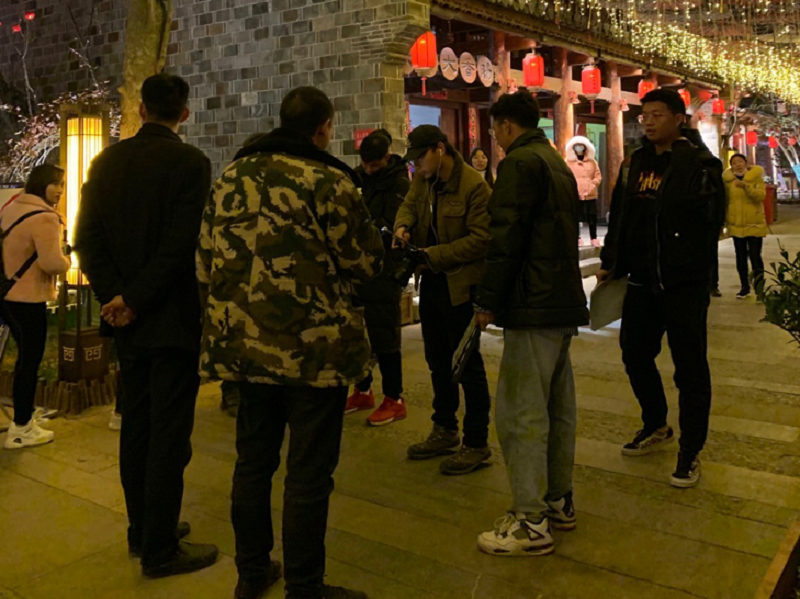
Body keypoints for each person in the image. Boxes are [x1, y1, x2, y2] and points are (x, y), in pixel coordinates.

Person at [197, 86, 383, 599]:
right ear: (323, 127)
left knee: (252, 463)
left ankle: (252, 572)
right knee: (308, 472)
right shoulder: (329, 181)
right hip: (313, 352)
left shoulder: (230, 178)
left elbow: (204, 264)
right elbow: (365, 262)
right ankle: (304, 585)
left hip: (242, 347)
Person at [74, 73, 218, 577]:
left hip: (127, 324)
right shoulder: (190, 163)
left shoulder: (107, 161)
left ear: (140, 109)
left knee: (136, 426)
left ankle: (144, 529)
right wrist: (134, 298)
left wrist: (115, 298)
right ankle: (159, 547)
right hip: (171, 317)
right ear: (184, 114)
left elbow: (86, 238)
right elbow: (181, 245)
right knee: (169, 434)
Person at [471, 90, 588, 557]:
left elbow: (506, 237)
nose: (495, 140)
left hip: (532, 303)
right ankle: (557, 500)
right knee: (557, 409)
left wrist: (488, 300)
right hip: (559, 301)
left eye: (495, 130)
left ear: (505, 126)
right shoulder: (556, 161)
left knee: (521, 412)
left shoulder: (519, 164)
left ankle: (530, 520)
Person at [598, 88, 726, 489]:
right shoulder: (636, 162)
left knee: (690, 369)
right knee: (635, 354)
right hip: (641, 281)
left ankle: (690, 450)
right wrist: (610, 261)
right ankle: (656, 423)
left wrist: (700, 273)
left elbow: (710, 221)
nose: (649, 122)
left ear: (678, 118)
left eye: (657, 115)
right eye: (645, 116)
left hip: (683, 283)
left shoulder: (700, 163)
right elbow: (621, 215)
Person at [394, 125, 492, 475]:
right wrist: (403, 227)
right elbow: (408, 206)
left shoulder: (474, 186)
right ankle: (445, 428)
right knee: (437, 360)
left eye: (420, 157)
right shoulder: (424, 180)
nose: (417, 165)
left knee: (466, 364)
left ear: (440, 149)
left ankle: (476, 442)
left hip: (462, 287)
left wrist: (434, 254)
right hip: (432, 282)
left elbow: (481, 239)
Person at [1, 164, 70, 449]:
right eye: (55, 184)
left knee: (23, 361)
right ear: (41, 184)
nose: (59, 190)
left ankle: (23, 421)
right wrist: (67, 261)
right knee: (29, 362)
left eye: (62, 184)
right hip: (28, 298)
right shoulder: (45, 218)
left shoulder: (12, 208)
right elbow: (52, 262)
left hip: (6, 294)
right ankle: (21, 427)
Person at [346, 129, 409, 426]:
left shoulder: (399, 182)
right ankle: (362, 389)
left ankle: (394, 398)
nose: (368, 170)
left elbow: (392, 223)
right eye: (365, 164)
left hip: (385, 267)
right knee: (356, 332)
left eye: (374, 165)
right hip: (356, 266)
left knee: (384, 335)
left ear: (387, 157)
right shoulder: (356, 177)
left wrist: (361, 230)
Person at [724, 153, 767, 299]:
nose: (738, 165)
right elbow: (725, 201)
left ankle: (760, 289)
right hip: (736, 225)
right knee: (740, 258)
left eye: (740, 161)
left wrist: (746, 187)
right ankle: (744, 287)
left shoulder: (756, 177)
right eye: (734, 162)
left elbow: (760, 196)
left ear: (746, 163)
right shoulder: (728, 182)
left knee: (755, 257)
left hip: (754, 223)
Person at [565, 136, 603, 248]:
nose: (579, 147)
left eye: (581, 145)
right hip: (575, 194)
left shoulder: (592, 161)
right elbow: (565, 176)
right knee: (575, 217)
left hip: (590, 194)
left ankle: (594, 238)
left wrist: (592, 185)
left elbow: (598, 176)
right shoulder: (567, 162)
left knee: (592, 216)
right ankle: (577, 238)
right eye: (576, 145)